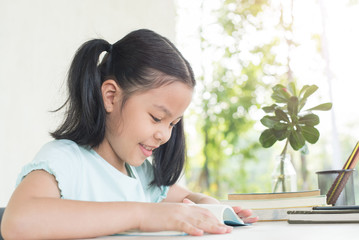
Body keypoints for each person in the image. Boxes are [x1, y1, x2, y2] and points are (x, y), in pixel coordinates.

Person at [1, 29, 257, 239]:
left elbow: (187, 199)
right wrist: (142, 215)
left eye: (173, 124)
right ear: (111, 96)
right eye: (157, 118)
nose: (165, 135)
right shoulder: (66, 161)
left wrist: (207, 206)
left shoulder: (140, 174)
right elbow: (17, 222)